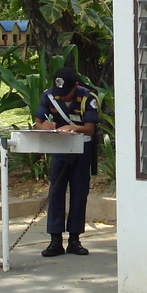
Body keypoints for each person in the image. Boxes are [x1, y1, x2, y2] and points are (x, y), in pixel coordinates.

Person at [33, 66, 99, 257]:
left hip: (81, 149)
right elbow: (37, 121)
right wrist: (44, 126)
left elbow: (90, 128)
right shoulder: (50, 96)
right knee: (56, 192)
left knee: (79, 192)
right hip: (59, 147)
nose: (63, 97)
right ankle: (55, 240)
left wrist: (74, 128)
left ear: (76, 86)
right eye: (59, 93)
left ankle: (74, 239)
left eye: (67, 93)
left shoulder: (88, 98)